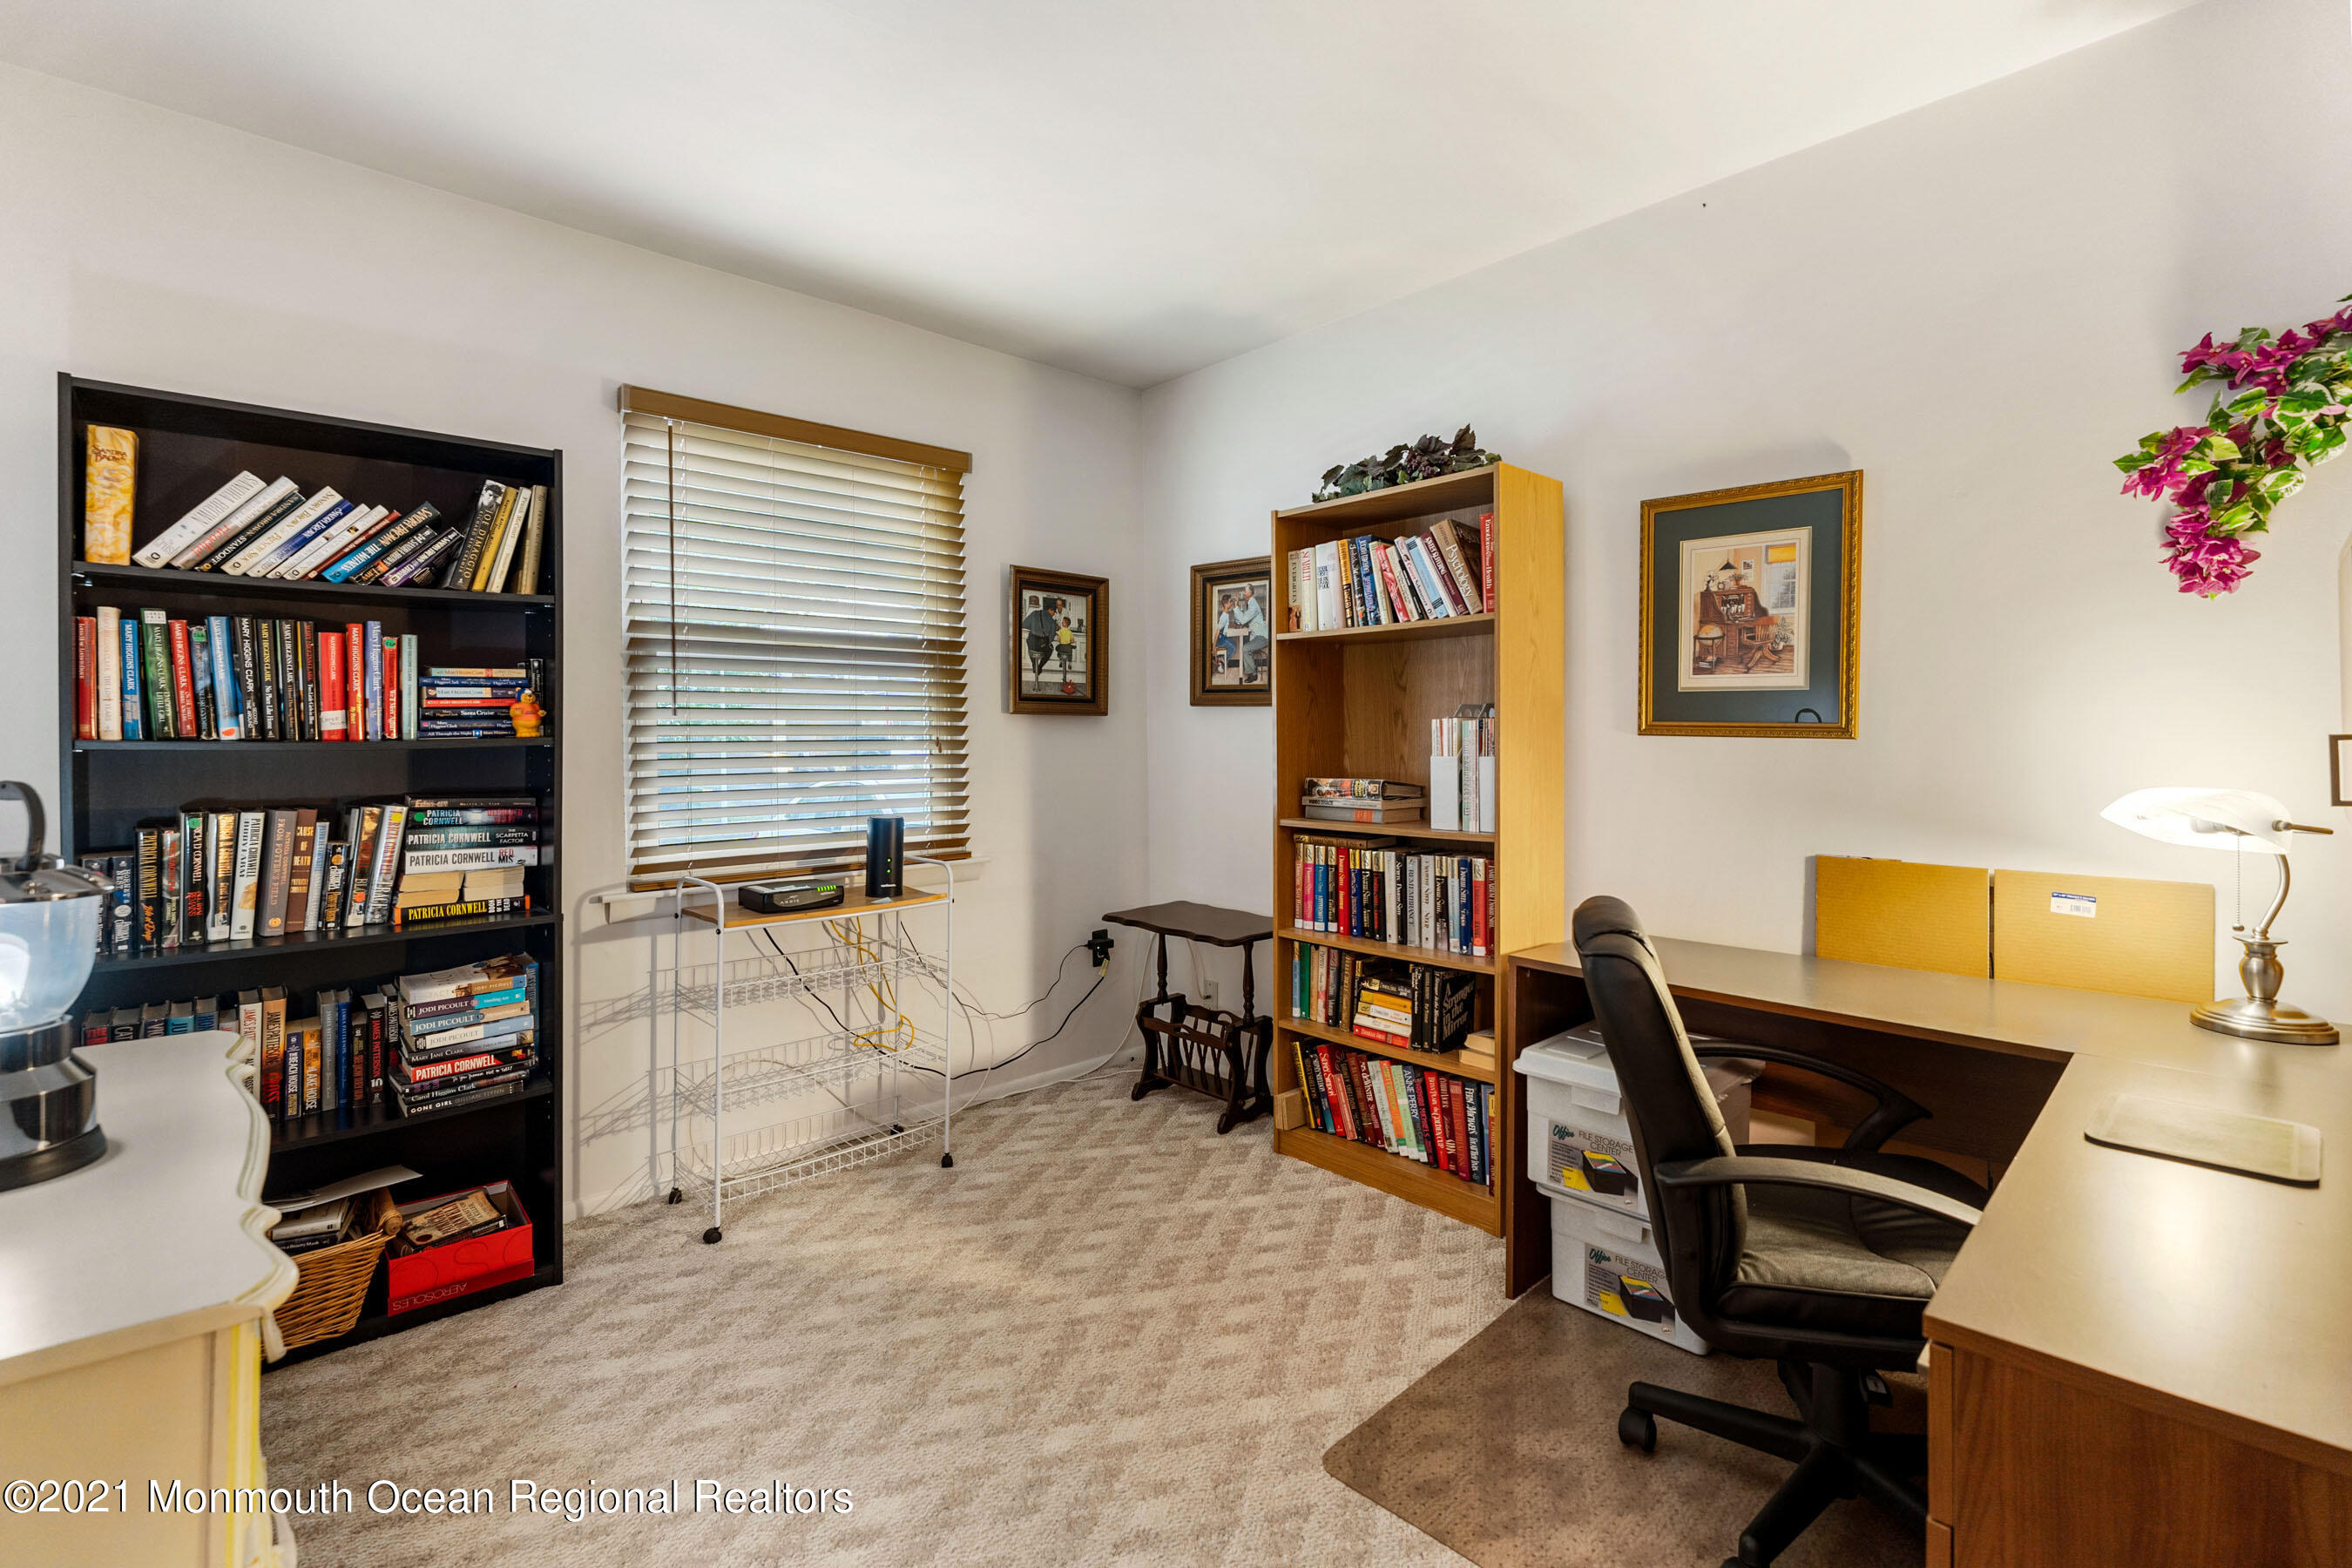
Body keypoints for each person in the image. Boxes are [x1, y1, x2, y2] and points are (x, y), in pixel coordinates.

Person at [1227, 581, 1268, 684]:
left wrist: (1236, 607)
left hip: (1263, 636)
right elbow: (1241, 618)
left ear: (1250, 593)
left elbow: (1243, 619)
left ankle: (1253, 674)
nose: (1244, 594)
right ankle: (1252, 670)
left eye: (1245, 592)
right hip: (1256, 636)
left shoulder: (1253, 605)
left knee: (1245, 648)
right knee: (1246, 648)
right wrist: (1236, 609)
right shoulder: (1249, 605)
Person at [1022, 595, 1058, 688]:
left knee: (1029, 644)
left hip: (1032, 643)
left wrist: (1034, 627)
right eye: (1054, 612)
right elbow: (1051, 637)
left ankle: (1034, 664)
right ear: (1050, 610)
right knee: (1050, 649)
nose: (1054, 614)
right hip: (1042, 645)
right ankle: (1040, 666)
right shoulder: (1052, 621)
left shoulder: (1034, 613)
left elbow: (1024, 624)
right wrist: (1046, 641)